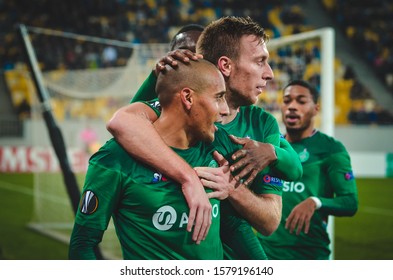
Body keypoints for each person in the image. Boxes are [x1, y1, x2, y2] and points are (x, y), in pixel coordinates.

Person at [107, 16, 302, 259]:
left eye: (196, 55)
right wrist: (154, 77)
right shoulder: (172, 110)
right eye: (260, 61)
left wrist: (242, 180)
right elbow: (122, 123)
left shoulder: (261, 125)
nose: (270, 74)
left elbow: (271, 219)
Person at [69, 59, 237, 259]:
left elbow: (240, 223)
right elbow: (82, 245)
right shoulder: (114, 159)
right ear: (188, 98)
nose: (225, 110)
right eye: (218, 97)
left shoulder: (217, 145)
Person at [259, 80, 359, 260]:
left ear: (316, 109)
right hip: (265, 252)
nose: (292, 107)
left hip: (308, 254)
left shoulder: (331, 149)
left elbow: (350, 202)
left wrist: (315, 202)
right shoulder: (269, 145)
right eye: (287, 100)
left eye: (301, 101)